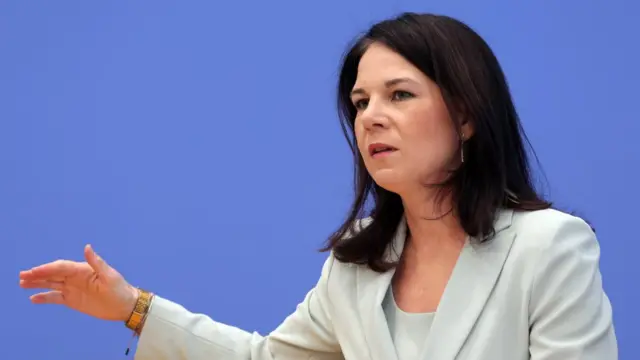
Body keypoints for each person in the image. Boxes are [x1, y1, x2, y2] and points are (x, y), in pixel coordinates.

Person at [18, 12, 617, 360]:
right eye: (360, 103)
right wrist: (133, 309)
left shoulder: (548, 247)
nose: (371, 117)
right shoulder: (359, 258)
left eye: (399, 95)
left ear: (465, 115)